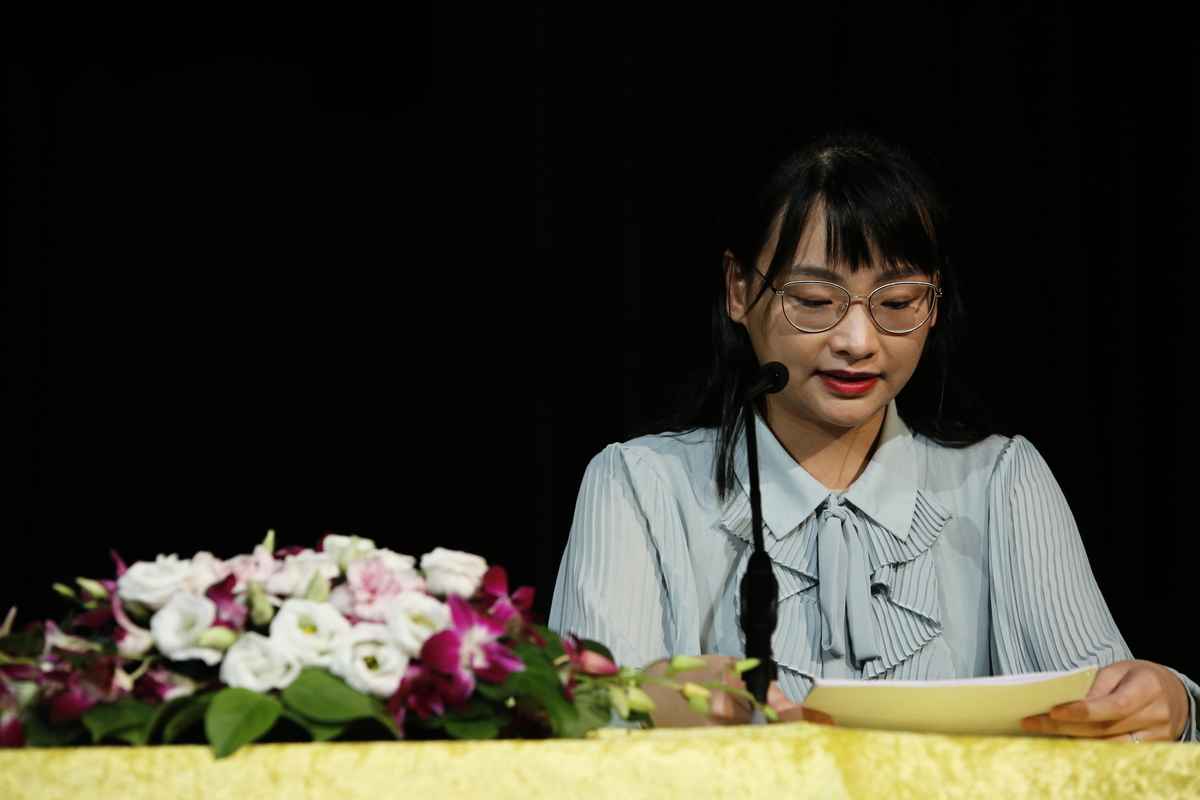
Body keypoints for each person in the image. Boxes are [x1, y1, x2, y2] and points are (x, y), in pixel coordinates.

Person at [547, 131, 1198, 741]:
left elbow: (1105, 709)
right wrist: (644, 710)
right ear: (738, 289)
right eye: (814, 300)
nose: (857, 341)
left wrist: (1167, 702)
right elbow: (569, 731)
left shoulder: (1001, 482)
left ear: (933, 305)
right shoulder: (638, 486)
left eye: (896, 303)